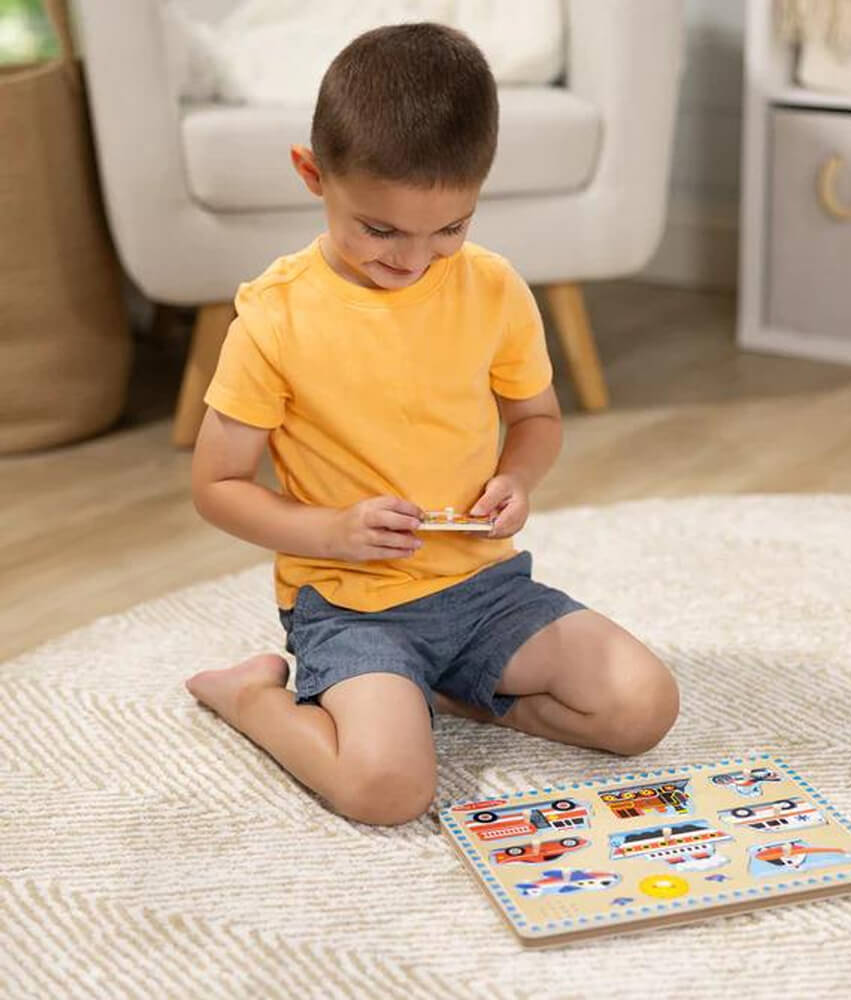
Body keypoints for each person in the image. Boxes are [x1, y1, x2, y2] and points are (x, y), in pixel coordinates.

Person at [184, 22, 679, 827]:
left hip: (485, 589)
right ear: (313, 174)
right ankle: (251, 697)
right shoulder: (275, 318)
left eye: (449, 228)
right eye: (380, 229)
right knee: (389, 792)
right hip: (351, 604)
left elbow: (537, 418)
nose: (413, 260)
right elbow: (217, 487)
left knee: (643, 707)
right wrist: (331, 532)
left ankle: (448, 696)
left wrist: (517, 478)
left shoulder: (493, 289)